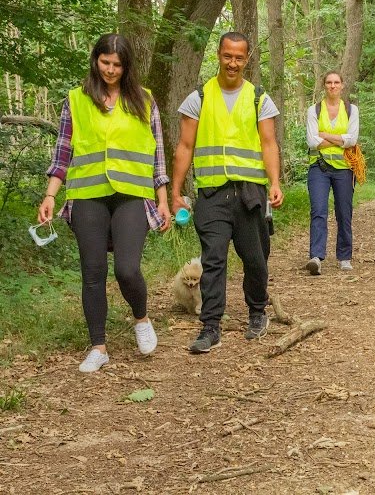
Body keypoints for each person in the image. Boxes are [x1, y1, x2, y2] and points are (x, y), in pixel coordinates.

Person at [37, 34, 170, 373]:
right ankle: (99, 346)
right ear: (95, 61)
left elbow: (157, 155)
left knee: (127, 269)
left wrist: (163, 199)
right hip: (87, 196)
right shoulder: (76, 100)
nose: (110, 70)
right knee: (92, 272)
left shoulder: (144, 100)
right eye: (105, 62)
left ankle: (141, 318)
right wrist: (51, 194)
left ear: (127, 67)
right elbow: (63, 151)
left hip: (131, 195)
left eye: (117, 64)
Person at [171, 31, 284, 354]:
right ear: (218, 55)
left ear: (246, 59)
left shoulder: (259, 98)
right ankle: (210, 326)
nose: (232, 63)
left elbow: (268, 143)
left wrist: (274, 182)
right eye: (227, 56)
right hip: (212, 194)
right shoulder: (199, 98)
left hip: (250, 193)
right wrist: (176, 192)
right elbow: (185, 146)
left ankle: (257, 312)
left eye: (239, 57)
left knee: (255, 259)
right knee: (214, 259)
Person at [304, 70, 360, 275]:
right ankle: (316, 256)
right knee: (318, 211)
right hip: (319, 167)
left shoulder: (351, 110)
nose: (333, 86)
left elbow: (352, 140)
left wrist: (325, 135)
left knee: (344, 213)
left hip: (345, 168)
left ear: (342, 86)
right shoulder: (314, 110)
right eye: (329, 82)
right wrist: (340, 139)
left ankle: (344, 257)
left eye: (336, 82)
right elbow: (312, 141)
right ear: (324, 85)